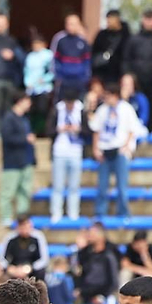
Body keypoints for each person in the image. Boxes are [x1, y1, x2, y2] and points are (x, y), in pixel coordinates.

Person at [91, 81, 142, 218]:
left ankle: (123, 214)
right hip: (105, 151)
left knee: (122, 187)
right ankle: (100, 214)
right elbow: (96, 130)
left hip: (120, 151)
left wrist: (126, 147)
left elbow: (133, 130)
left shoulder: (126, 109)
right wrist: (96, 149)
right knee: (102, 187)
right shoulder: (102, 110)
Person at [124, 8, 152, 129]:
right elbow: (127, 59)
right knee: (137, 105)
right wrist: (128, 76)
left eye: (151, 19)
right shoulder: (134, 39)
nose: (149, 22)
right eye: (146, 19)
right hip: (137, 80)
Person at [0, 94, 36, 228]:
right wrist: (24, 139)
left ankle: (22, 218)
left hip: (25, 161)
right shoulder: (9, 118)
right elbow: (7, 138)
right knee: (8, 192)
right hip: (12, 163)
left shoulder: (25, 119)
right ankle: (6, 217)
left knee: (25, 192)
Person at [74, 223, 120, 304]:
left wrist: (102, 295)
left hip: (99, 299)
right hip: (86, 297)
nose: (89, 236)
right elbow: (79, 272)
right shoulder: (86, 254)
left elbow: (113, 280)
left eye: (92, 233)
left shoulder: (108, 256)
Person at [49, 90, 84, 221]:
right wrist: (59, 129)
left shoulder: (81, 109)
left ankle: (73, 212)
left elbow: (88, 130)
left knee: (74, 185)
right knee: (57, 185)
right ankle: (56, 212)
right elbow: (48, 130)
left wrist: (78, 129)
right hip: (60, 152)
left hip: (75, 151)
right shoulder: (57, 109)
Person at [52, 14, 92, 100]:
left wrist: (85, 77)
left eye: (73, 24)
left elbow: (87, 61)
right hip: (64, 80)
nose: (70, 26)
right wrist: (58, 76)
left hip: (79, 81)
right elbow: (56, 60)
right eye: (69, 23)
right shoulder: (60, 40)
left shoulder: (82, 41)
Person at [0, 214, 49, 282]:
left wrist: (30, 268)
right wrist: (9, 268)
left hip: (32, 269)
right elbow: (1, 258)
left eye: (26, 225)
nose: (24, 228)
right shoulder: (10, 238)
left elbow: (44, 259)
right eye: (21, 226)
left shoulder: (38, 237)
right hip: (14, 268)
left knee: (41, 273)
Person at [23, 31, 54, 137]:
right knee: (32, 111)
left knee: (42, 109)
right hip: (32, 88)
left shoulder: (48, 55)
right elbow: (26, 71)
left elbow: (52, 71)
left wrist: (45, 79)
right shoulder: (30, 56)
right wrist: (27, 82)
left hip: (44, 88)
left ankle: (42, 132)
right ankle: (33, 131)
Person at [91, 10, 130, 84]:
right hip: (102, 72)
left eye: (110, 19)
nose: (108, 21)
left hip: (118, 74)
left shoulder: (126, 35)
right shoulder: (101, 35)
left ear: (117, 19)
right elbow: (94, 52)